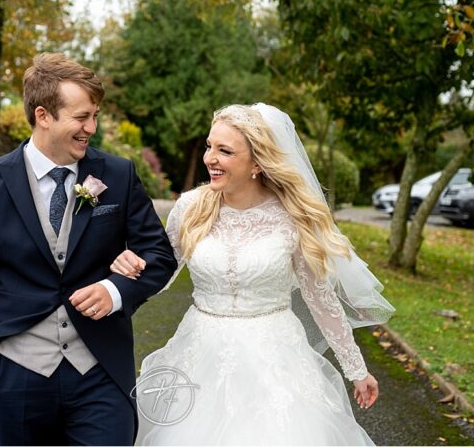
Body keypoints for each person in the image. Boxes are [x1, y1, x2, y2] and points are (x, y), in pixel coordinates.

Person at [110, 103, 395, 445]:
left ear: (257, 163)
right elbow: (163, 273)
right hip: (201, 352)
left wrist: (356, 369)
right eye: (209, 146)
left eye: (224, 151)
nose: (209, 159)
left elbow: (320, 297)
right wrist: (130, 267)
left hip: (275, 359)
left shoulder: (293, 218)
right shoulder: (190, 207)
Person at [0, 52, 177, 446]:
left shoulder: (118, 175)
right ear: (43, 115)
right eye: (82, 117)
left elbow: (159, 256)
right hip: (15, 376)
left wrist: (115, 290)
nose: (92, 127)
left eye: (96, 116)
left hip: (101, 372)